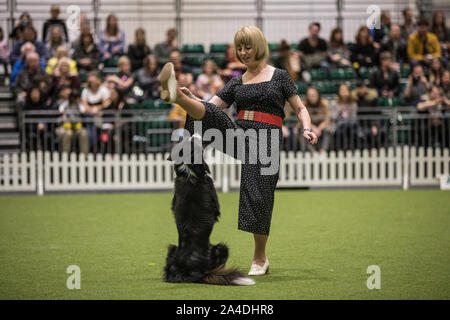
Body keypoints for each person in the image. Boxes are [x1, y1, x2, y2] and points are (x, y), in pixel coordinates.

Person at [158, 26, 318, 275]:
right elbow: (211, 107)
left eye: (248, 47)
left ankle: (260, 258)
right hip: (241, 133)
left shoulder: (280, 76)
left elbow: (300, 108)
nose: (243, 52)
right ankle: (178, 99)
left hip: (267, 139)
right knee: (207, 111)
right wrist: (192, 100)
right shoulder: (236, 81)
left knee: (259, 197)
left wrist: (307, 128)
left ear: (259, 46)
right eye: (239, 48)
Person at [297, 87, 331, 154]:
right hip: (309, 126)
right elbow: (302, 120)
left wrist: (319, 128)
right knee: (303, 131)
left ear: (318, 95)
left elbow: (327, 120)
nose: (311, 97)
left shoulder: (325, 104)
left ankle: (323, 151)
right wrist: (313, 128)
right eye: (309, 95)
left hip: (321, 126)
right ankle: (312, 151)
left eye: (313, 95)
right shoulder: (304, 104)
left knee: (328, 129)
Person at [57, 89, 89, 154]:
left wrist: (82, 111)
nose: (75, 99)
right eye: (73, 97)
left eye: (76, 98)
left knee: (84, 134)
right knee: (68, 134)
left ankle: (85, 156)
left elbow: (83, 110)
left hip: (77, 127)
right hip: (66, 127)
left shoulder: (79, 105)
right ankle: (65, 156)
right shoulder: (65, 104)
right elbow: (61, 110)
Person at [332, 84, 358, 150]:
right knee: (340, 132)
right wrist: (339, 110)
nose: (344, 92)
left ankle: (353, 150)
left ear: (349, 92)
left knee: (354, 132)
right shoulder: (334, 103)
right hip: (338, 126)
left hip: (351, 125)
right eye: (342, 90)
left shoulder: (353, 103)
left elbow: (354, 119)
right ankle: (341, 150)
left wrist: (351, 113)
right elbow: (333, 117)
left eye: (345, 90)